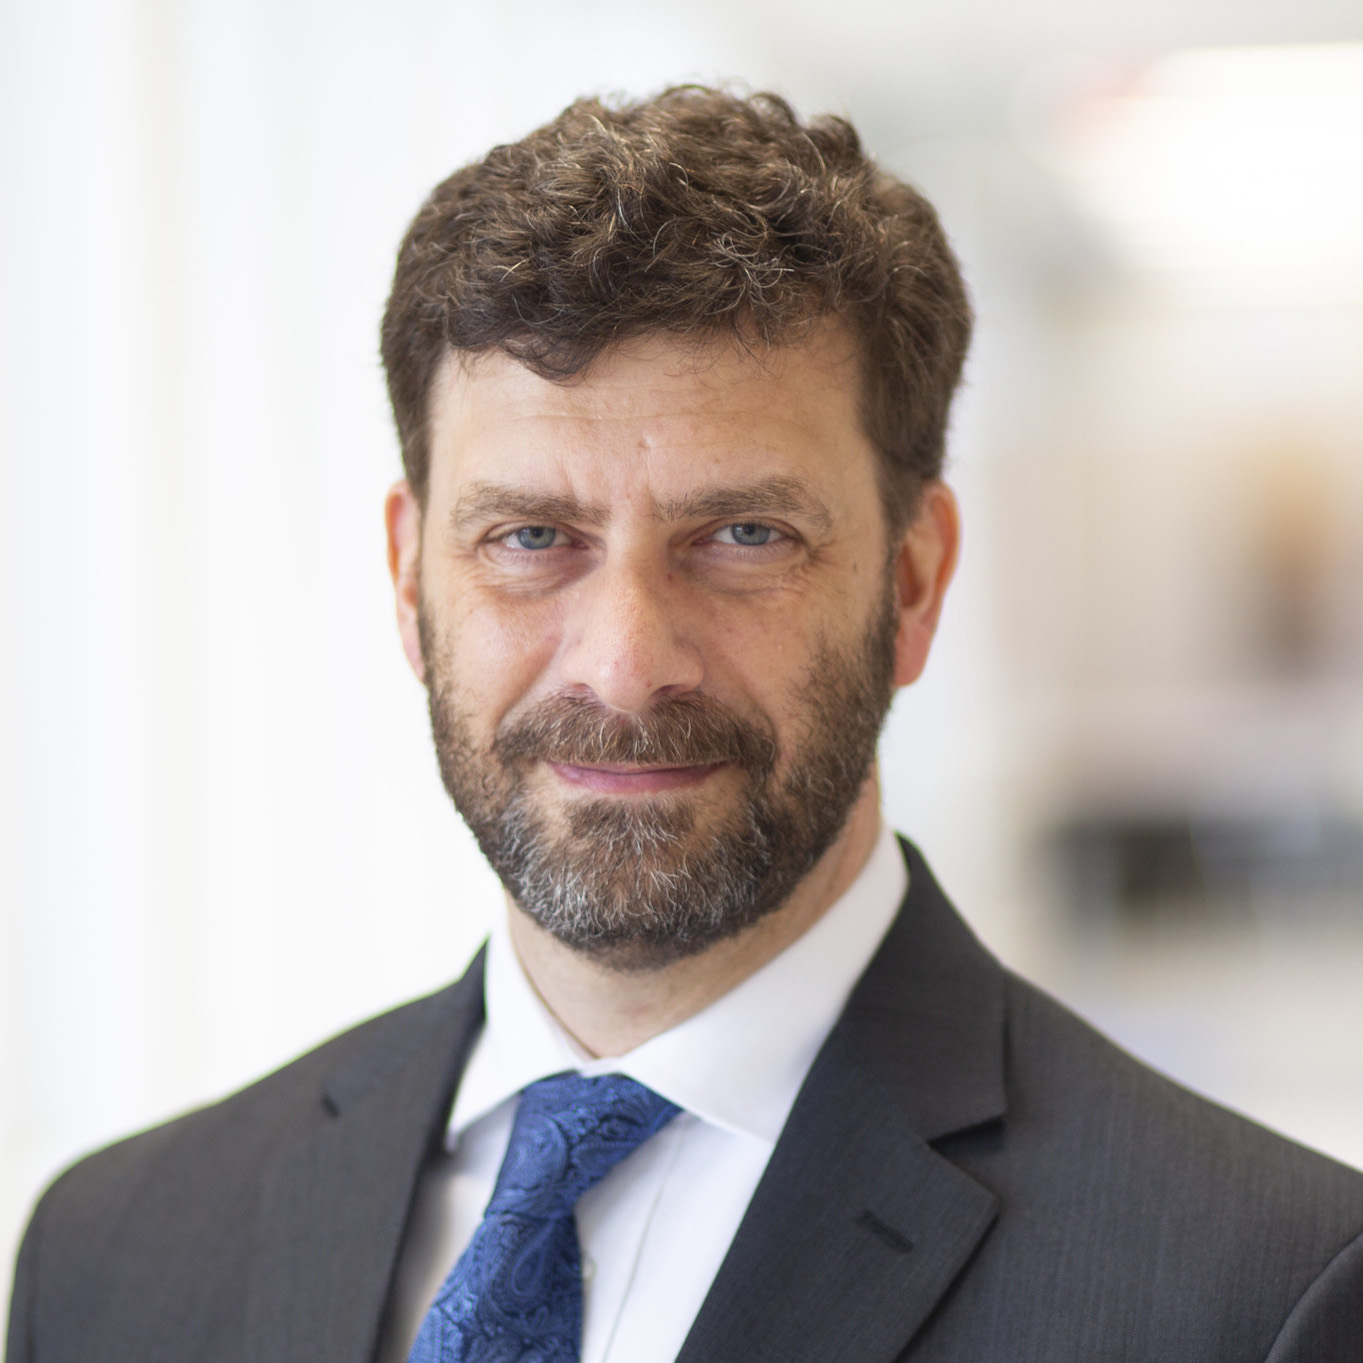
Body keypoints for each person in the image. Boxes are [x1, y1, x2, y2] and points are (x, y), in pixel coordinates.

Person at [7, 86, 1363, 1363]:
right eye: (529, 537)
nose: (626, 667)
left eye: (745, 535)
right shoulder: (116, 1257)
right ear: (410, 580)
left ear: (912, 582)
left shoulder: (1258, 1297)